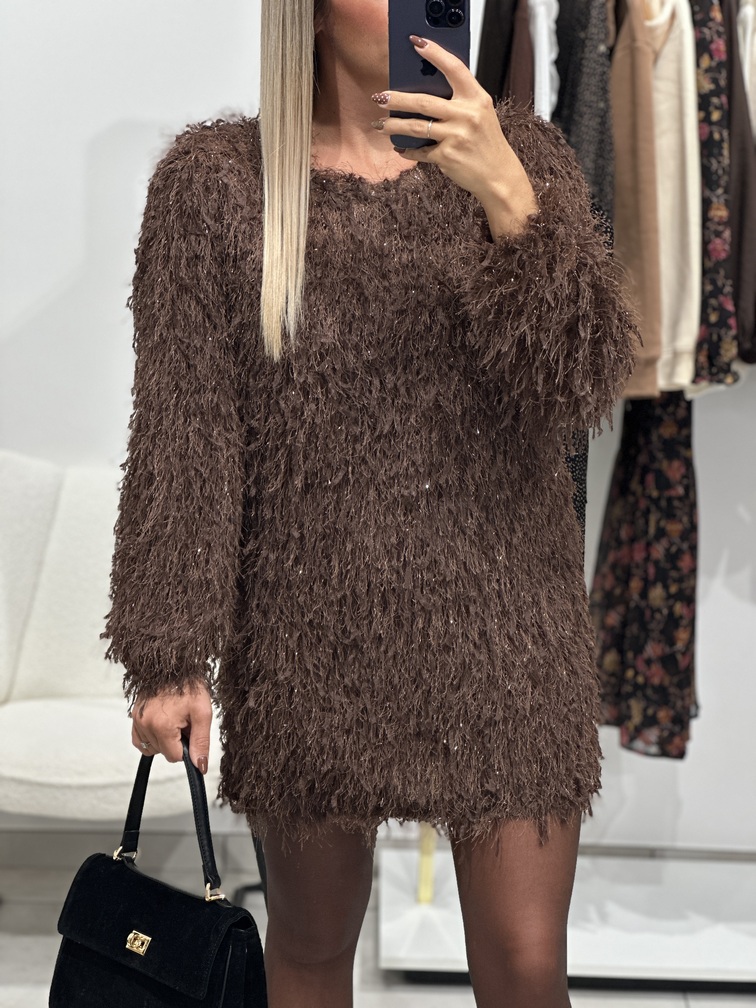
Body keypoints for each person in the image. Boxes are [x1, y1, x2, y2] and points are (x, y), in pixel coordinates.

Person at [103, 1, 638, 1005]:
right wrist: (168, 656)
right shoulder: (218, 185)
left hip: (507, 630)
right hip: (308, 637)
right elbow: (186, 436)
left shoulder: (521, 155)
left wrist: (507, 196)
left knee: (525, 963)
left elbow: (579, 388)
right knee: (309, 948)